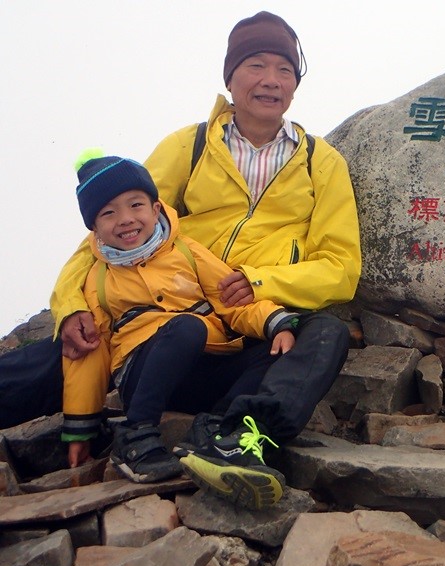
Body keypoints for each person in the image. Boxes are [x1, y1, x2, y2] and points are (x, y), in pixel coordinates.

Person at [0, 11, 360, 507]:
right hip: (164, 318)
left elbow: (341, 265)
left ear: (296, 83)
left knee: (325, 334)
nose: (271, 81)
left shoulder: (322, 162)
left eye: (285, 69)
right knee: (73, 348)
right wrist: (69, 309)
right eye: (256, 65)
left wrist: (257, 282)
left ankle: (235, 439)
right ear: (230, 76)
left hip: (249, 326)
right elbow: (107, 233)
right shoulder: (188, 146)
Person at [65, 151, 297, 509]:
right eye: (108, 213)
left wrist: (273, 322)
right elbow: (90, 348)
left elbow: (231, 299)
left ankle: (215, 429)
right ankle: (136, 435)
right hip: (141, 374)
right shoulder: (96, 280)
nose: (125, 219)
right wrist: (80, 423)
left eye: (135, 205)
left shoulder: (186, 251)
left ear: (156, 209)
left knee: (271, 351)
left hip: (202, 368)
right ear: (94, 228)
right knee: (187, 328)